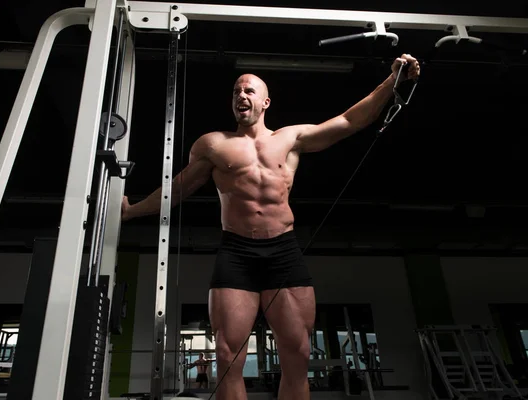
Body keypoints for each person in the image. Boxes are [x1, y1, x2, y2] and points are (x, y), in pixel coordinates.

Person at [121, 54, 420, 400]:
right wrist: (131, 211)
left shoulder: (290, 138)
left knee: (298, 354)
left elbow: (350, 121)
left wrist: (392, 80)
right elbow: (177, 189)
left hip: (283, 251)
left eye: (248, 90)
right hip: (237, 253)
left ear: (265, 102)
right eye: (236, 90)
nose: (240, 95)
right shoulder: (213, 145)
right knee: (226, 355)